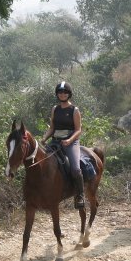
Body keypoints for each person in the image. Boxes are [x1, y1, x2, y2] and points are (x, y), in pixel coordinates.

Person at [41, 80, 85, 209]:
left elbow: (78, 130)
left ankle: (80, 195)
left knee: (76, 169)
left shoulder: (74, 110)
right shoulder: (55, 109)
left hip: (71, 142)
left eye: (65, 92)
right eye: (60, 92)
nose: (62, 94)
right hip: (55, 141)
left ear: (69, 94)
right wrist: (44, 138)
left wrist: (69, 140)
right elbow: (52, 128)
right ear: (57, 94)